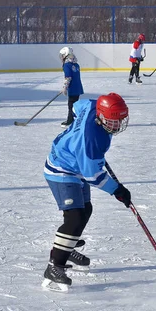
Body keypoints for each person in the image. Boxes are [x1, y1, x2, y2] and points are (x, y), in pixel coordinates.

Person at [42, 93, 131, 292]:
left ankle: (68, 247)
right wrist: (118, 190)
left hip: (76, 165)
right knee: (74, 218)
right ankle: (54, 266)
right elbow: (94, 177)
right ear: (101, 116)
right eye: (113, 121)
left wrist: (75, 128)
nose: (117, 126)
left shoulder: (92, 106)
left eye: (119, 121)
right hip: (61, 170)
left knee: (86, 210)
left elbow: (76, 106)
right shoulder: (91, 141)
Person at [59, 46, 84, 128]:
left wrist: (65, 87)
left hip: (73, 88)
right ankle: (75, 120)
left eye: (63, 55)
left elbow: (68, 77)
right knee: (75, 104)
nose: (62, 57)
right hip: (78, 88)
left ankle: (70, 121)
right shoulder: (76, 64)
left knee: (71, 105)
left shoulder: (67, 65)